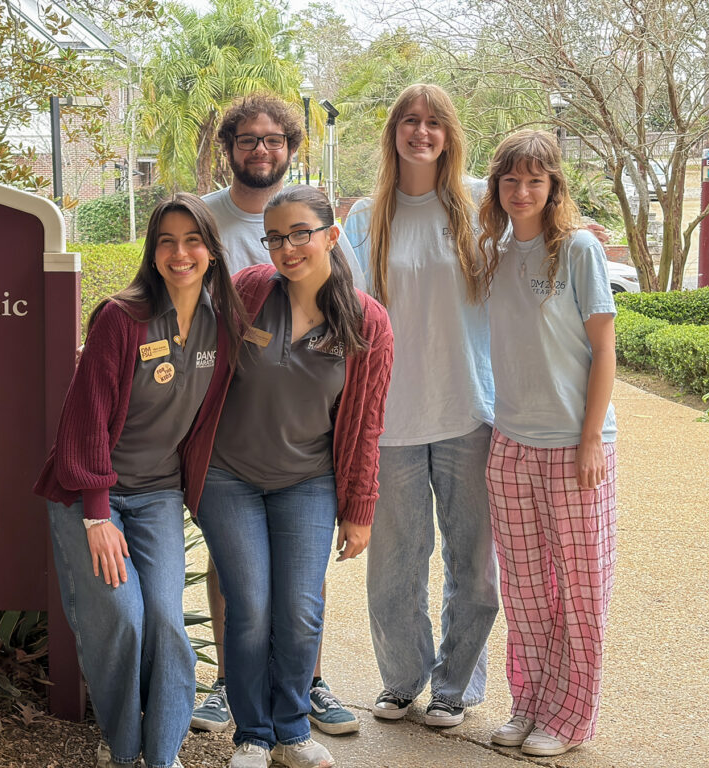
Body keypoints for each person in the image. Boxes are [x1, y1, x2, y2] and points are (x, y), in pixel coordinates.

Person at [182, 184, 394, 768]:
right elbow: (187, 345)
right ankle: (252, 734)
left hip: (307, 481)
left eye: (300, 233)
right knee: (249, 605)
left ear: (331, 235)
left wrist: (359, 508)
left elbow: (366, 424)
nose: (287, 247)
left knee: (300, 608)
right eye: (276, 236)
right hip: (230, 477)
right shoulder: (250, 291)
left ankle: (292, 729)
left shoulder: (367, 323)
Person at [34, 193, 246, 768]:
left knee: (168, 623)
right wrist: (97, 515)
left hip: (158, 496)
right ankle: (123, 748)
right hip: (90, 497)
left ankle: (163, 752)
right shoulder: (121, 318)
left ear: (211, 251)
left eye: (193, 240)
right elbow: (86, 417)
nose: (181, 253)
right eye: (166, 242)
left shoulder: (220, 325)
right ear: (153, 253)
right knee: (122, 621)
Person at [193, 92, 365, 738]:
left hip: (301, 422)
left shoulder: (307, 214)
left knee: (299, 586)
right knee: (235, 573)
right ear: (230, 149)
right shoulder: (206, 218)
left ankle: (308, 682)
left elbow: (351, 309)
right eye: (247, 140)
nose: (260, 149)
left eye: (272, 140)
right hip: (231, 426)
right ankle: (224, 687)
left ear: (290, 149)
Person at [343, 83, 499, 727]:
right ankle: (404, 679)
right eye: (409, 119)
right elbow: (343, 312)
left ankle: (456, 684)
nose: (421, 131)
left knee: (474, 564)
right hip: (392, 419)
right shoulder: (365, 216)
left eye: (434, 121)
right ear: (393, 132)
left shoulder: (480, 205)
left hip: (468, 408)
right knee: (394, 567)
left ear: (449, 133)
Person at [478, 129, 617, 758]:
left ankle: (570, 717)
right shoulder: (497, 252)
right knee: (528, 591)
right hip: (511, 443)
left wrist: (591, 438)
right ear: (497, 186)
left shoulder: (579, 250)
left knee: (582, 588)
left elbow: (604, 349)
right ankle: (529, 702)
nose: (522, 190)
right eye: (511, 179)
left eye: (535, 179)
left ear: (554, 184)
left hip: (574, 445)